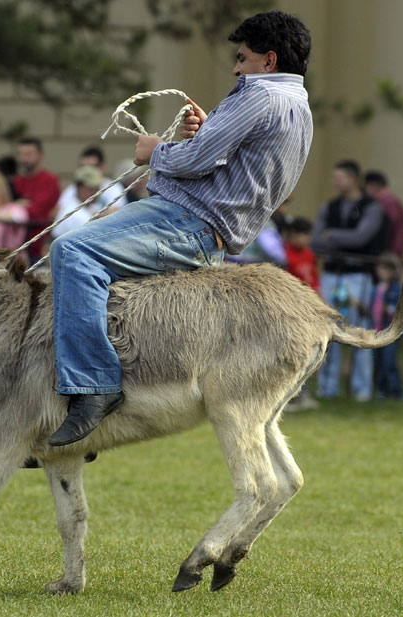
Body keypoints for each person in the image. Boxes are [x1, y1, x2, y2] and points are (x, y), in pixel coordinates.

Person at [46, 10, 313, 445]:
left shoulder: (260, 95)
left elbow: (194, 160)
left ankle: (94, 387)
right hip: (204, 229)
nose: (236, 68)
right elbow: (237, 165)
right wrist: (210, 130)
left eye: (242, 58)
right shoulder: (298, 106)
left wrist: (154, 151)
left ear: (269, 60)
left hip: (186, 223)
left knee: (71, 251)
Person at [311, 160, 386, 402]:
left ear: (353, 179)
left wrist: (331, 235)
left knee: (359, 330)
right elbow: (315, 240)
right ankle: (327, 388)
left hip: (357, 275)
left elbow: (361, 237)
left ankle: (362, 389)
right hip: (331, 273)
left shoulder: (371, 207)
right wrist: (339, 239)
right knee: (327, 329)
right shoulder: (329, 206)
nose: (335, 182)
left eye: (339, 177)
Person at [55, 146, 129, 230]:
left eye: (92, 167)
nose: (88, 171)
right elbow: (57, 213)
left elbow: (115, 215)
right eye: (83, 167)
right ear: (79, 187)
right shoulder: (72, 188)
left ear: (103, 167)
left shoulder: (113, 187)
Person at [12, 137, 61, 260]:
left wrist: (15, 207)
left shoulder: (49, 180)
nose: (24, 159)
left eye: (29, 154)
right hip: (19, 248)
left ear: (40, 156)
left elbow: (36, 211)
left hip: (41, 249)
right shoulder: (16, 180)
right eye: (21, 154)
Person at [51, 165, 116, 239]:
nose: (96, 192)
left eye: (97, 188)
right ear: (79, 187)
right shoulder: (74, 213)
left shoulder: (81, 206)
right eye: (91, 188)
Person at [371, 252, 403, 399]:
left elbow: (399, 310)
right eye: (381, 268)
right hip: (376, 331)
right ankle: (381, 390)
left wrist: (388, 309)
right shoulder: (375, 288)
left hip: (390, 330)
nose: (382, 272)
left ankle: (396, 391)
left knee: (388, 361)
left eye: (386, 269)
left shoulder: (396, 289)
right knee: (378, 361)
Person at [363, 170, 403, 257]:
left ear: (374, 186)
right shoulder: (388, 201)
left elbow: (386, 230)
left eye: (366, 187)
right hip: (391, 251)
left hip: (388, 253)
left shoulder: (387, 203)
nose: (365, 191)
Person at [284, 216, 319, 291]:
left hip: (310, 292)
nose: (309, 238)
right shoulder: (283, 253)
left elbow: (315, 278)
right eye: (305, 234)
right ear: (294, 234)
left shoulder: (309, 254)